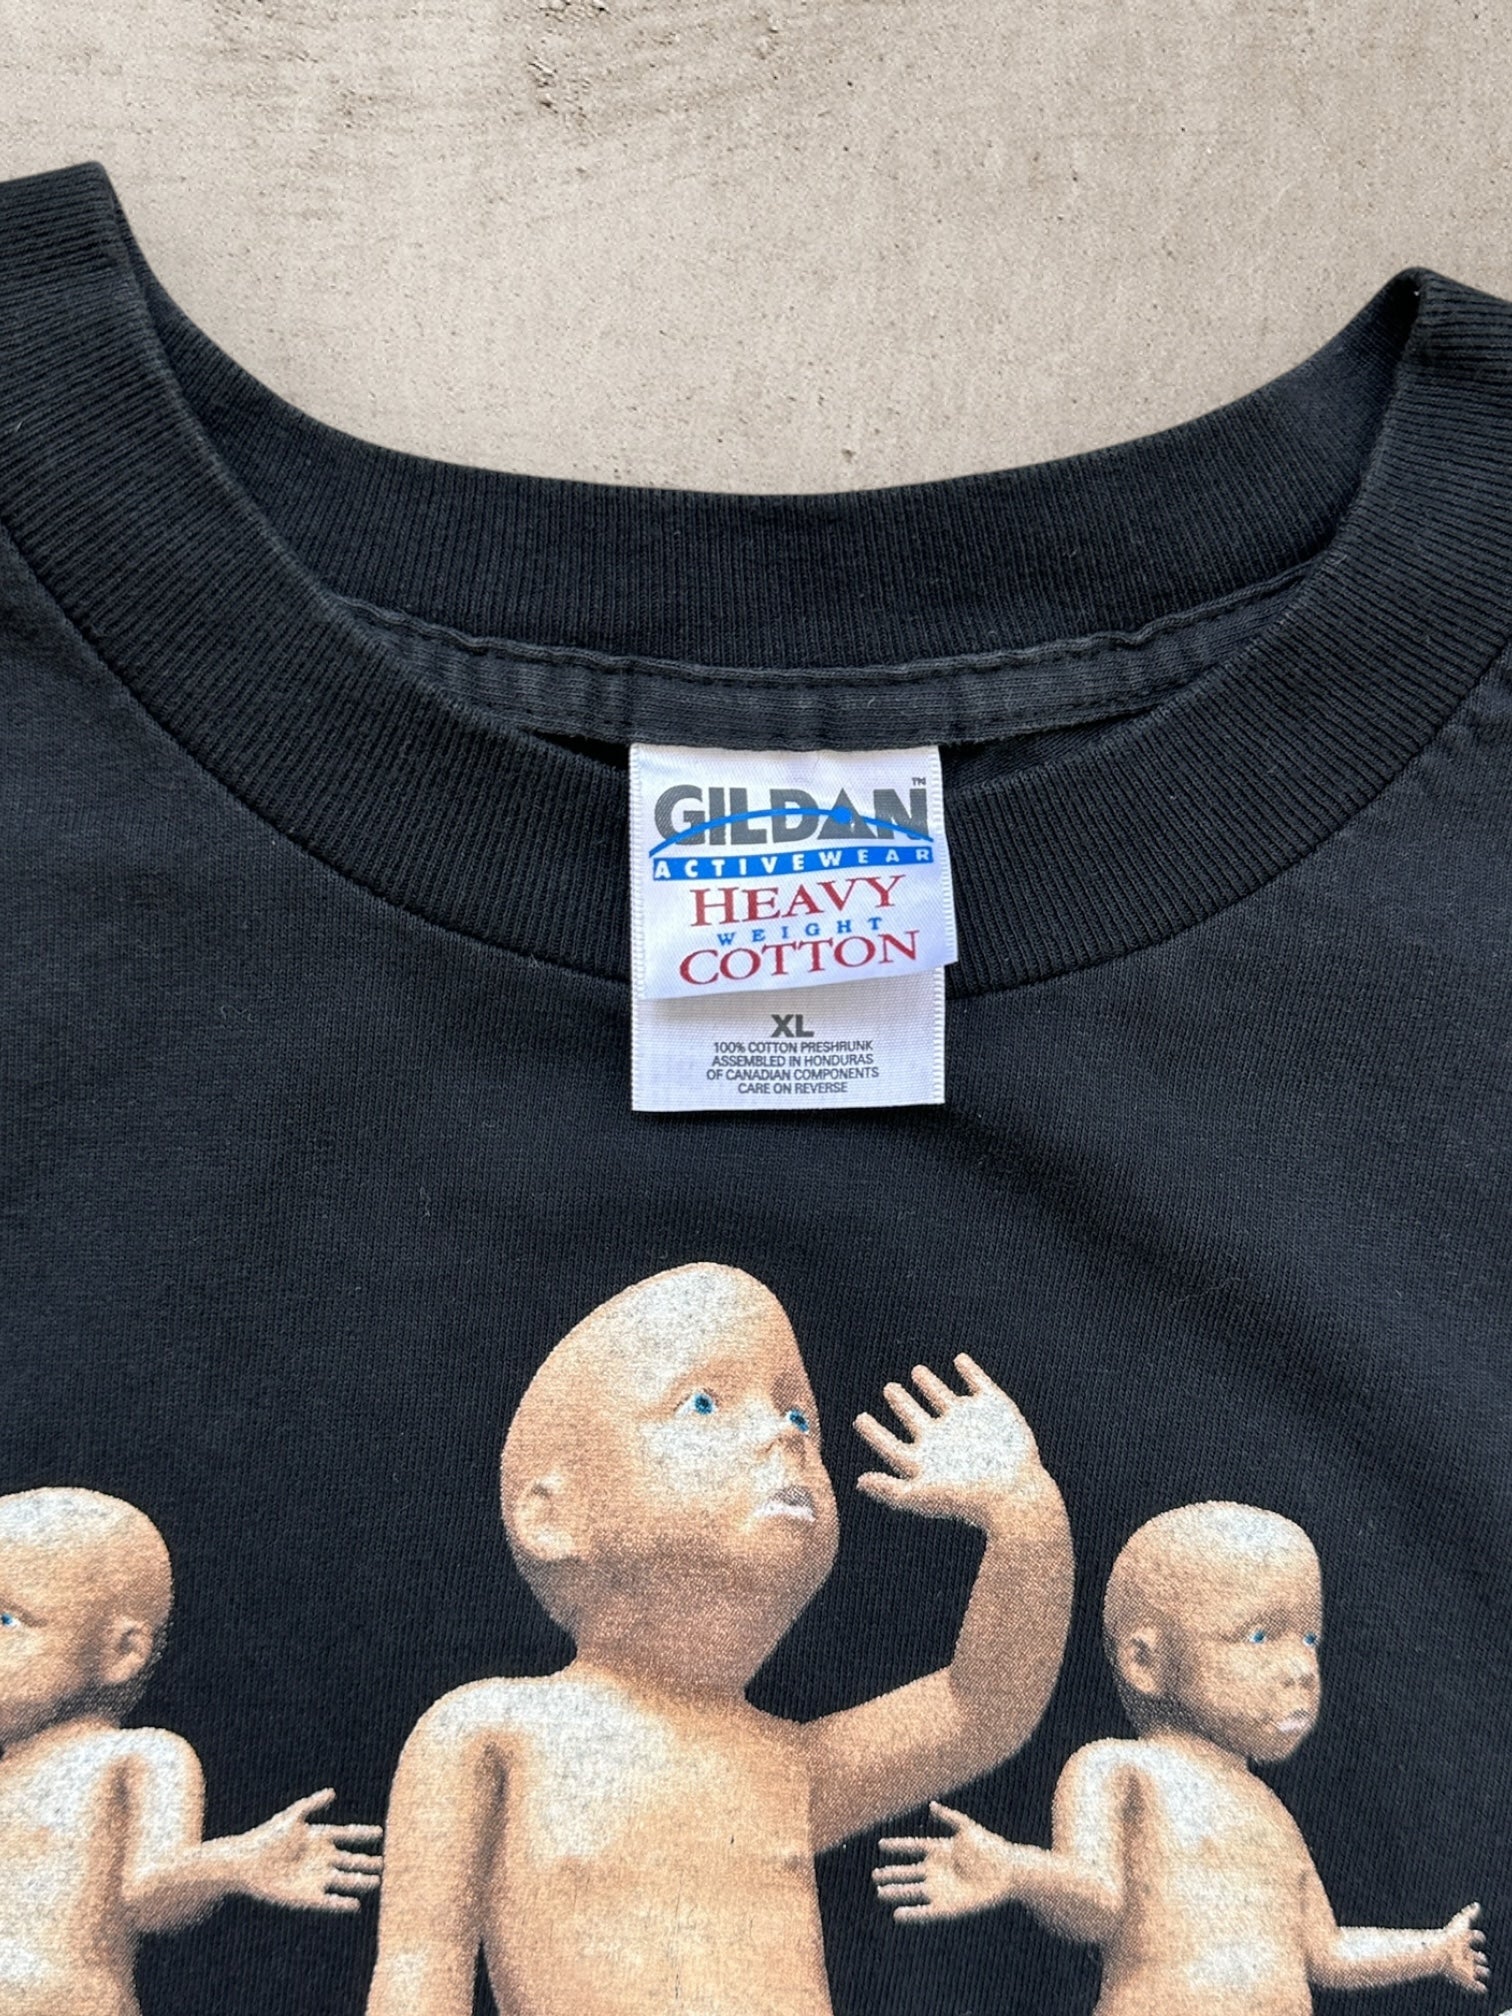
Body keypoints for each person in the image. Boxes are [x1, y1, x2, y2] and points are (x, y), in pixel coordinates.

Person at [366, 1259, 1074, 2016]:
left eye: (800, 1418)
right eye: (703, 1403)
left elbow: (981, 1707)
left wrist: (1023, 1510)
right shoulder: (489, 1733)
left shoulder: (791, 1766)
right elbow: (421, 1968)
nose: (783, 1434)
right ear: (554, 1517)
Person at [872, 1501, 1489, 2014]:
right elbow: (1097, 1904)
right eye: (1258, 1635)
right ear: (1145, 1661)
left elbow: (1326, 1953)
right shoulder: (1121, 1768)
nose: (1302, 1667)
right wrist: (1017, 1870)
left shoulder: (1272, 1812)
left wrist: (1433, 1950)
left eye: (1309, 1638)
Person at [0, 1486, 384, 2016]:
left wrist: (236, 1862)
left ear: (122, 1652)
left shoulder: (136, 1756)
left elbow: (150, 1898)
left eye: (7, 1620)